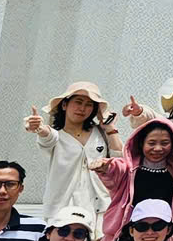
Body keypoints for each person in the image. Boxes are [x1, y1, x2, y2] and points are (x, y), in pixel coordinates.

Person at [22, 83, 117, 223]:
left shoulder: (101, 133)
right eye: (78, 102)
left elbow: (120, 158)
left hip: (101, 208)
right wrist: (39, 128)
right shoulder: (56, 135)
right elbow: (47, 137)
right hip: (62, 209)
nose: (82, 108)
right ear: (64, 105)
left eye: (89, 105)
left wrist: (111, 128)